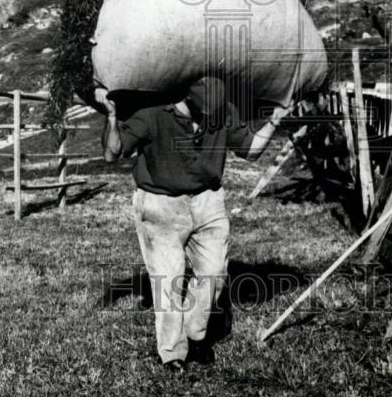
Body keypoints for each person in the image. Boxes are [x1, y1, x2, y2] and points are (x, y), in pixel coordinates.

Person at [96, 75, 295, 372]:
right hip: (161, 204)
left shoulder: (222, 111)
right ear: (187, 100)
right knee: (167, 280)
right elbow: (113, 153)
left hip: (208, 201)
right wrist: (112, 117)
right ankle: (172, 353)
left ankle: (195, 334)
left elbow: (251, 151)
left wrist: (275, 121)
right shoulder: (152, 114)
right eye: (203, 114)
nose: (208, 121)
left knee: (214, 273)